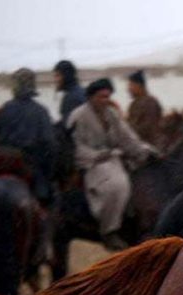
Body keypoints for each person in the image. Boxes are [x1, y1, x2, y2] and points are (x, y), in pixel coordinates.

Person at [67, 78, 156, 251]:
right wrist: (98, 156)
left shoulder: (111, 113)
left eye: (107, 97)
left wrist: (145, 149)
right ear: (91, 97)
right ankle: (109, 231)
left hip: (115, 159)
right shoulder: (78, 116)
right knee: (117, 185)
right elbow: (75, 146)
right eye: (101, 97)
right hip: (92, 163)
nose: (105, 100)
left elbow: (127, 137)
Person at [0, 68, 57, 205]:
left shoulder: (5, 109)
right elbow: (50, 144)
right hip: (34, 170)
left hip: (8, 168)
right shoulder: (41, 111)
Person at [126, 70, 164, 147]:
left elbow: (147, 127)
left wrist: (127, 133)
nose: (128, 89)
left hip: (150, 146)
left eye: (131, 85)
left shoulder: (150, 102)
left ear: (139, 86)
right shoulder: (135, 103)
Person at [53, 60, 86, 127]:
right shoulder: (82, 91)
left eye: (58, 76)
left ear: (66, 76)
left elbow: (68, 127)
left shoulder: (71, 98)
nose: (55, 80)